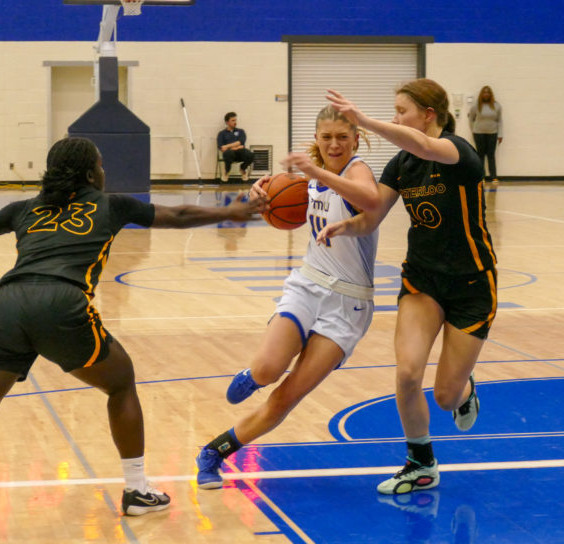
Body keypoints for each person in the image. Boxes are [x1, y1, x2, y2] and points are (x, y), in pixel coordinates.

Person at [0, 137, 265, 543]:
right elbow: (177, 213)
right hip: (62, 303)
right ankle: (137, 488)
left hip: (7, 306)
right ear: (90, 173)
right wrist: (235, 211)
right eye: (101, 164)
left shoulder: (25, 209)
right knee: (120, 381)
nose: (104, 171)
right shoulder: (111, 204)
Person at [320, 80, 497, 495]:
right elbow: (373, 215)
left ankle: (465, 390)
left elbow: (427, 147)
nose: (396, 118)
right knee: (407, 373)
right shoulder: (401, 165)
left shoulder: (458, 152)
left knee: (446, 397)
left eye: (402, 111)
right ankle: (421, 463)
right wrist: (349, 225)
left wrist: (364, 120)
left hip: (472, 285)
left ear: (428, 114)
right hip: (423, 280)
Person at [195, 104, 383, 489]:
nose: (334, 144)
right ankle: (253, 374)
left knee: (285, 397)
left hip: (349, 305)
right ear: (316, 138)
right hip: (308, 285)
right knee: (266, 371)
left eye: (342, 137)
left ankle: (214, 452)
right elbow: (281, 199)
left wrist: (315, 171)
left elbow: (370, 198)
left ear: (356, 139)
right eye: (326, 137)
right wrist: (259, 195)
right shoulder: (305, 179)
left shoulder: (357, 170)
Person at [467, 85, 502, 182]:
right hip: (479, 133)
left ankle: (493, 176)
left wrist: (500, 135)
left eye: (488, 92)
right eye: (484, 92)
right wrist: (473, 130)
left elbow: (499, 121)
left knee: (491, 155)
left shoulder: (497, 106)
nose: (486, 94)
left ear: (490, 94)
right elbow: (471, 119)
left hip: (493, 133)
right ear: (481, 94)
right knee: (480, 155)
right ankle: (480, 177)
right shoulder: (476, 106)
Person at [217, 112, 254, 183]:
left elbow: (241, 142)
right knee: (228, 153)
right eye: (233, 120)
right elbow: (221, 147)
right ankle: (226, 172)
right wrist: (236, 147)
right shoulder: (222, 134)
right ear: (227, 122)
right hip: (229, 155)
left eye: (235, 120)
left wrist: (228, 146)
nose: (235, 122)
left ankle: (242, 169)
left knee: (250, 154)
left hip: (240, 153)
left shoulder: (241, 131)